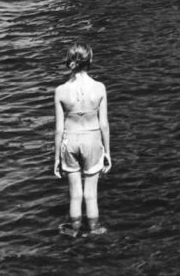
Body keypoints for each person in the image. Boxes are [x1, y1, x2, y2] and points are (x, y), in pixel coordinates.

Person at [54, 41, 111, 237]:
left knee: (75, 194)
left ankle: (73, 230)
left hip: (70, 140)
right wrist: (107, 152)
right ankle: (94, 230)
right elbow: (104, 124)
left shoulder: (61, 91)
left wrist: (56, 158)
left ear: (69, 61)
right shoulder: (99, 88)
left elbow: (59, 129)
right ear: (90, 60)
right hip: (92, 139)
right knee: (91, 195)